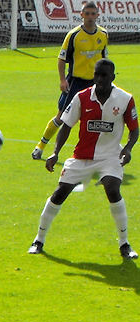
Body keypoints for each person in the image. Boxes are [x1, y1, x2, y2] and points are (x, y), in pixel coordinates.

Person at [28, 59, 138, 259]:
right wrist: (55, 152)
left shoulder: (125, 99)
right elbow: (66, 125)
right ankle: (39, 239)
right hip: (82, 156)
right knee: (60, 193)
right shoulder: (82, 97)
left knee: (112, 189)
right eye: (97, 75)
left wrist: (128, 149)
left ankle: (125, 244)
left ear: (113, 76)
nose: (99, 79)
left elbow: (134, 129)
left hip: (110, 156)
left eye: (104, 75)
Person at [31, 1, 108, 160]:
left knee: (97, 119)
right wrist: (62, 80)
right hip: (75, 82)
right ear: (81, 15)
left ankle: (96, 153)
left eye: (93, 14)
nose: (90, 17)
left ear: (97, 15)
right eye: (87, 14)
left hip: (94, 84)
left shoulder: (103, 34)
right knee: (61, 117)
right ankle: (41, 146)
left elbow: (104, 58)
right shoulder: (73, 35)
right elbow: (61, 59)